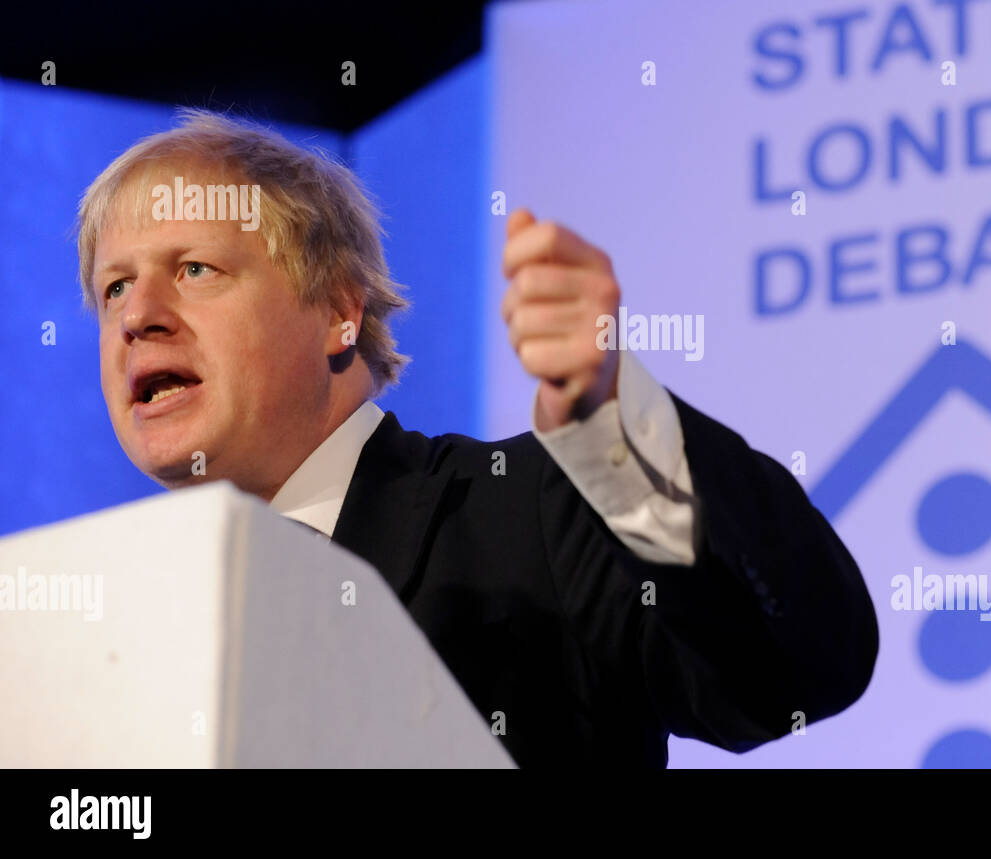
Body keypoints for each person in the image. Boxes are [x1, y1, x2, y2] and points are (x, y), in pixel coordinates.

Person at [79, 109, 878, 767]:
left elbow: (800, 665)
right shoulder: (104, 640)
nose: (136, 315)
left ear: (337, 313)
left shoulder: (533, 509)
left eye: (194, 270)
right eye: (115, 285)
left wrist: (618, 425)